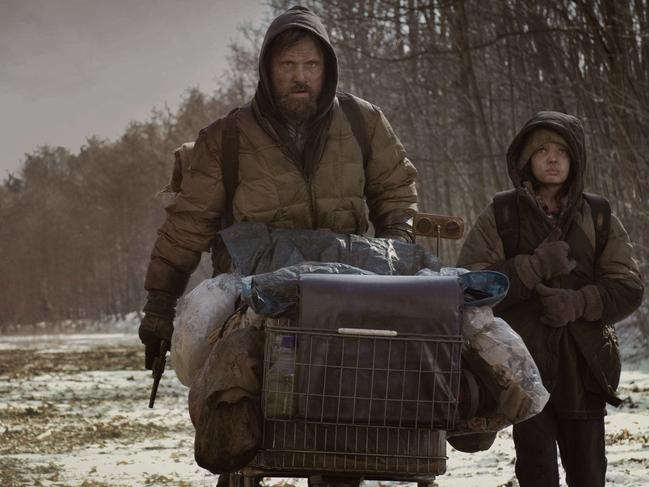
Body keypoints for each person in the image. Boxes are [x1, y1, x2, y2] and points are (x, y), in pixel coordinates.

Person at [138, 6, 418, 377]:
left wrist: (393, 256)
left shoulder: (362, 122)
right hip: (252, 302)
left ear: (327, 69)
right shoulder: (228, 139)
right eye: (287, 65)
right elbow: (185, 230)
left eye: (311, 65)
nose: (299, 77)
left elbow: (396, 196)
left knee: (405, 380)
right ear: (268, 70)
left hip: (349, 289)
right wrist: (159, 308)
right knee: (231, 389)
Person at [457, 111, 644, 487]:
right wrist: (531, 268)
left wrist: (580, 303)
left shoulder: (599, 214)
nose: (553, 158)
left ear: (575, 158)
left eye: (562, 150)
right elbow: (469, 287)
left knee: (589, 472)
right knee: (536, 469)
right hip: (522, 366)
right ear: (526, 158)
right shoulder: (502, 213)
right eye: (542, 150)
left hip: (585, 365)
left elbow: (628, 285)